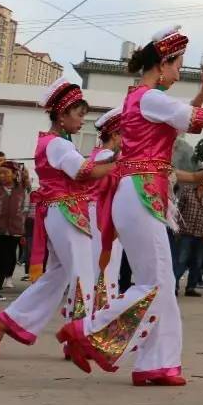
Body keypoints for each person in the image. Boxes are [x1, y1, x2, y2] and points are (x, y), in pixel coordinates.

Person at [60, 28, 203, 386]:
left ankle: (158, 362)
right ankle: (86, 330)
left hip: (138, 192)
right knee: (153, 283)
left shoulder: (142, 98)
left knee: (161, 283)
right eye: (177, 64)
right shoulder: (149, 98)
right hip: (141, 193)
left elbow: (182, 118)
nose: (178, 71)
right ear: (163, 63)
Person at [0, 80, 116, 365]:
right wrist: (122, 162)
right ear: (61, 114)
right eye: (79, 114)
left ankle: (5, 322)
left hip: (60, 212)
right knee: (83, 275)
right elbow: (83, 171)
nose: (82, 121)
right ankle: (80, 339)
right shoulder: (56, 143)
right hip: (68, 211)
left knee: (57, 276)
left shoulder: (53, 142)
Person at [88, 108, 125, 312]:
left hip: (97, 211)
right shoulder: (108, 156)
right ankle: (102, 309)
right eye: (123, 134)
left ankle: (97, 307)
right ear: (114, 134)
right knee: (106, 261)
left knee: (100, 260)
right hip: (103, 212)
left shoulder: (98, 153)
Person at [0, 163, 26, 301]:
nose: (2, 175)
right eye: (0, 173)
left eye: (6, 173)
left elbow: (23, 209)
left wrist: (21, 228)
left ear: (14, 175)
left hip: (12, 233)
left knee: (4, 262)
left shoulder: (22, 190)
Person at [173, 180, 203, 298]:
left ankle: (191, 287)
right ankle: (174, 286)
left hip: (201, 233)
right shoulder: (187, 192)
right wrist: (176, 228)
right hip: (185, 232)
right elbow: (178, 211)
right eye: (201, 177)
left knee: (197, 262)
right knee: (181, 260)